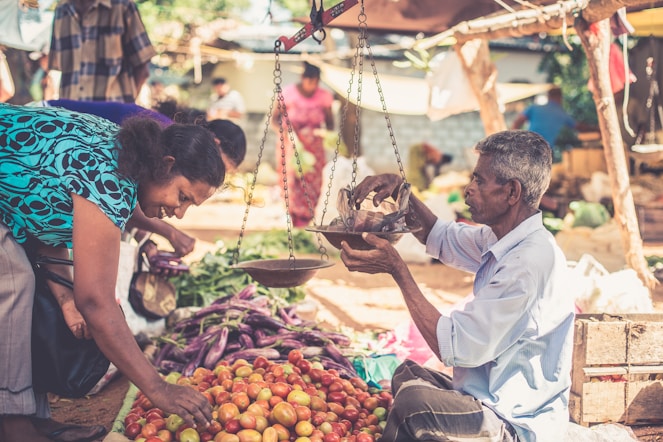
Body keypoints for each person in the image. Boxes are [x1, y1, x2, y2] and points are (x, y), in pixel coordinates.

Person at [0, 103, 222, 442]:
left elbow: (46, 217)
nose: (179, 213)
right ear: (167, 165)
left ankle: (33, 417)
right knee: (15, 281)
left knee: (30, 286)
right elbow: (96, 301)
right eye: (182, 197)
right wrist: (157, 388)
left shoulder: (124, 159)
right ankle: (13, 425)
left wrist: (64, 298)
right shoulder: (110, 178)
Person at [340, 130, 575, 442]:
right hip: (485, 394)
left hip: (514, 424)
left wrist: (397, 270)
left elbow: (455, 347)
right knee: (407, 373)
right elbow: (440, 236)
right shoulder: (504, 237)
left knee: (413, 406)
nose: (468, 191)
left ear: (512, 192)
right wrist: (401, 191)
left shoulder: (527, 264)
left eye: (479, 181)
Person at [48, 0, 156, 102]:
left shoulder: (123, 6)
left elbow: (142, 69)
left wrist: (126, 109)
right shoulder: (61, 10)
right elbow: (56, 70)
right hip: (71, 115)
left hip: (112, 114)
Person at [271, 62, 334, 227]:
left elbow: (330, 123)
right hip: (291, 144)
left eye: (315, 82)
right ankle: (293, 215)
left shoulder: (324, 96)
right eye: (309, 81)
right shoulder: (288, 93)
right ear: (302, 78)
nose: (312, 86)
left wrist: (326, 136)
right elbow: (274, 119)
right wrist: (286, 134)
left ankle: (308, 217)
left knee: (313, 181)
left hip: (314, 148)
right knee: (292, 179)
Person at [511, 87, 576, 149]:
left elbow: (518, 122)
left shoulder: (534, 107)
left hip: (529, 145)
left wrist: (514, 140)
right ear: (560, 97)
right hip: (546, 149)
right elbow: (578, 126)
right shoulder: (562, 113)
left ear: (548, 96)